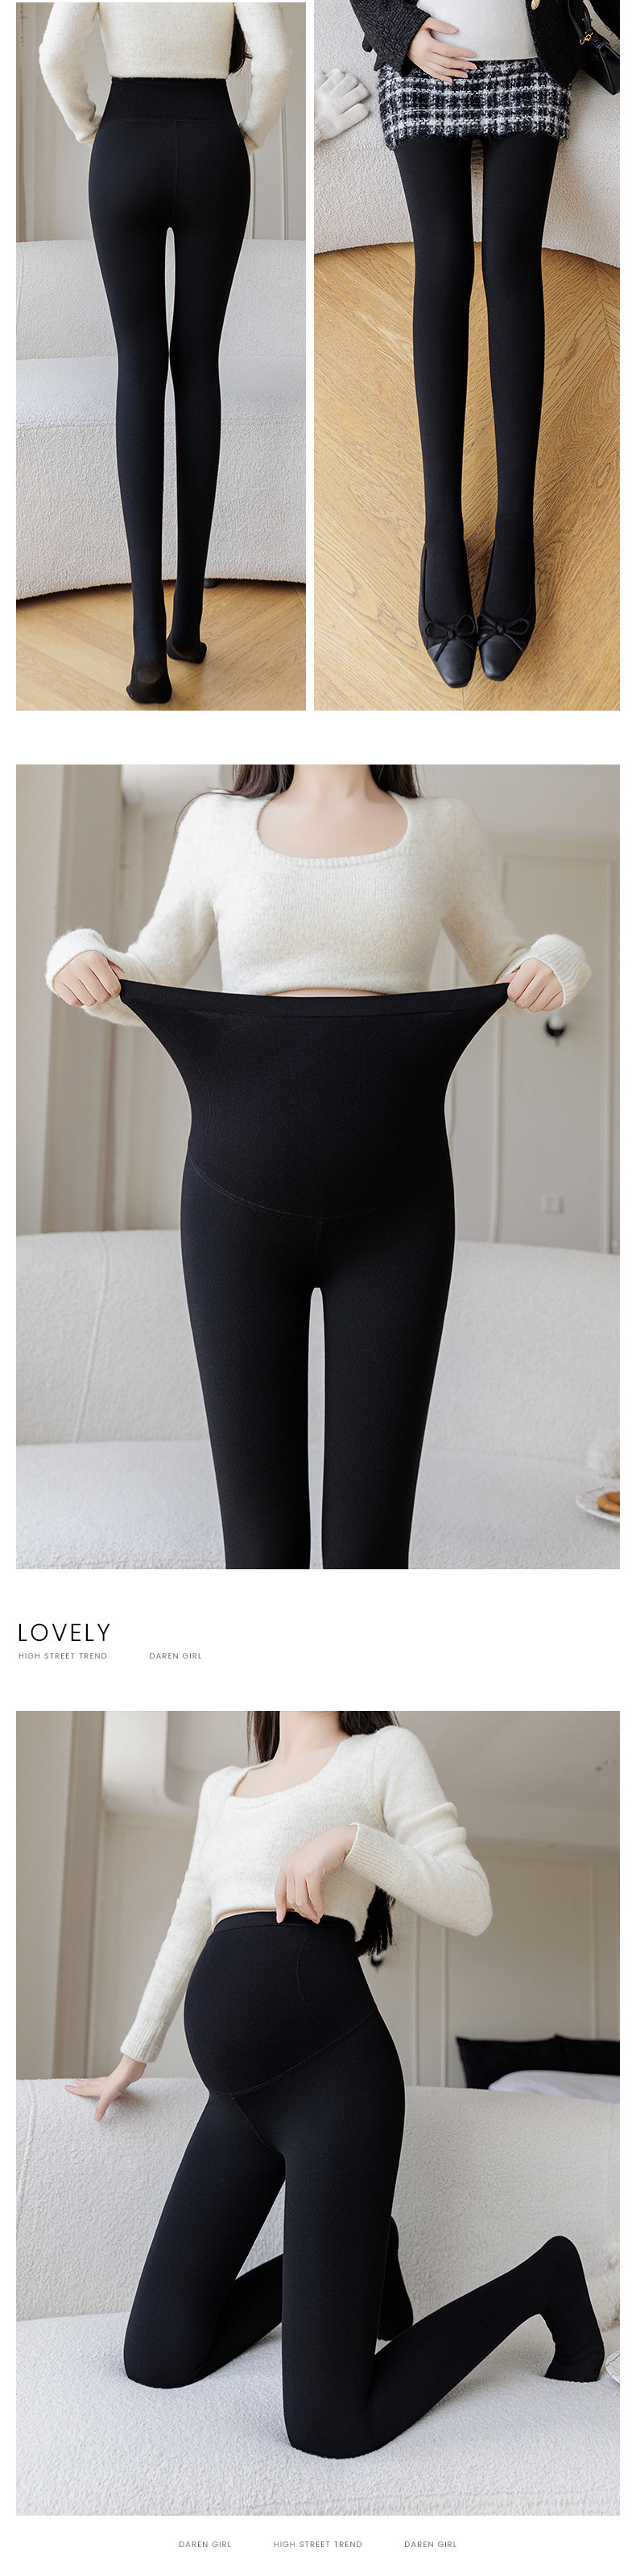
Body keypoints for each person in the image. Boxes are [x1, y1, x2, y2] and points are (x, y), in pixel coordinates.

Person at [46, 762, 591, 1568]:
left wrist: (558, 958)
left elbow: (509, 961)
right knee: (258, 1545)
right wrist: (77, 954)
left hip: (399, 1211)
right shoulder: (214, 826)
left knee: (371, 1547)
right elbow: (148, 971)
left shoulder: (444, 827)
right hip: (234, 1212)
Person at [67, 1710, 605, 2459]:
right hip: (235, 2106)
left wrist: (351, 1841)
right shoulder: (222, 1788)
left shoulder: (382, 1756)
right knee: (156, 2358)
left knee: (329, 2429)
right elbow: (190, 1920)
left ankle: (549, 2280)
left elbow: (471, 1900)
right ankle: (368, 2263)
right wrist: (133, 2055)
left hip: (336, 2088)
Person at [325, 0, 619, 683]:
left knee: (512, 264)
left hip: (533, 61)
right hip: (421, 64)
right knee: (445, 262)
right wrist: (402, 34)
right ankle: (441, 534)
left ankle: (515, 533)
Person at [39, 0, 291, 703]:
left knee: (139, 368)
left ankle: (147, 641)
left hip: (124, 147)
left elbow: (55, 53)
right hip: (214, 148)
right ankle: (189, 623)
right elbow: (274, 60)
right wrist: (249, 134)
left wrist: (88, 125)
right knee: (198, 365)